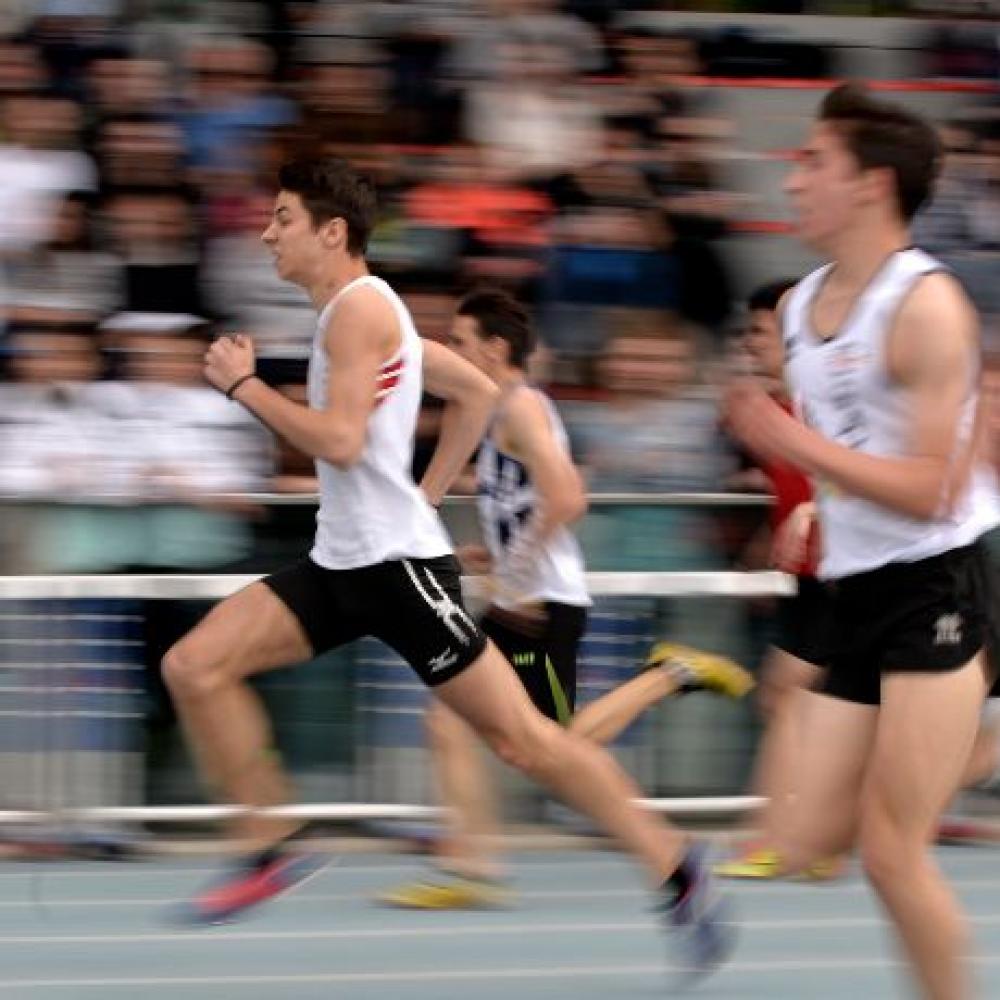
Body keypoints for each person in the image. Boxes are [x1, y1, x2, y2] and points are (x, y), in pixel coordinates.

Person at [160, 156, 734, 979]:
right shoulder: (369, 313)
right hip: (344, 561)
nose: (265, 235)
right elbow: (474, 393)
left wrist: (245, 386)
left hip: (397, 572)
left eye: (282, 219)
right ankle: (267, 844)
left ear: (332, 232)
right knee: (195, 665)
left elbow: (341, 441)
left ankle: (678, 868)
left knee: (527, 741)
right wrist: (425, 493)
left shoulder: (359, 311)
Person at [725, 84, 999, 1000]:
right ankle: (968, 749)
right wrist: (817, 508)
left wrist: (791, 447)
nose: (793, 178)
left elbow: (932, 488)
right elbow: (850, 442)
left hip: (938, 587)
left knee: (892, 853)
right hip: (856, 588)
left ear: (872, 184)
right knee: (804, 841)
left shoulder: (926, 305)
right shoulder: (801, 305)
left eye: (815, 162)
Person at [378, 287, 752, 909]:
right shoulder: (498, 412)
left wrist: (519, 569)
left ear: (495, 349)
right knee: (453, 722)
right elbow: (527, 504)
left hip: (541, 606)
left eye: (461, 341)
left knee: (552, 750)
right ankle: (472, 866)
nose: (450, 350)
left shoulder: (523, 408)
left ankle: (668, 675)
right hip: (520, 600)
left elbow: (568, 498)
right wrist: (493, 556)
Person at [716, 279, 842, 881]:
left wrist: (815, 509)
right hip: (810, 579)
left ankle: (777, 839)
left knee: (786, 696)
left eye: (759, 330)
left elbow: (867, 472)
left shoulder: (829, 402)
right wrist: (767, 543)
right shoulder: (775, 409)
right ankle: (814, 842)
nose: (749, 342)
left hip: (851, 575)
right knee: (812, 708)